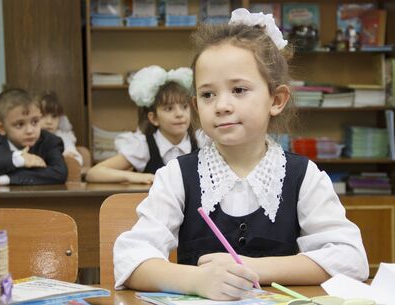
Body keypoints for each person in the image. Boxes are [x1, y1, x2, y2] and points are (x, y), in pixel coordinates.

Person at [113, 8, 368, 301]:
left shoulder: (302, 176)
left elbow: (351, 259)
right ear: (196, 106)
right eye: (208, 94)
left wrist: (251, 267)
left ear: (276, 99)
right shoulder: (176, 176)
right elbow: (130, 260)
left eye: (238, 90)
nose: (221, 105)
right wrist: (197, 280)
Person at [86, 65, 198, 184]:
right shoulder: (143, 146)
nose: (179, 114)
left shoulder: (202, 141)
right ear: (154, 118)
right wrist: (135, 177)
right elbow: (94, 173)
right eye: (169, 109)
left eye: (184, 107)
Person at [0, 88, 68, 185]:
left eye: (35, 122)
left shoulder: (50, 141)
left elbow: (59, 173)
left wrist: (5, 179)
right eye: (20, 124)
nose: (30, 131)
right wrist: (16, 159)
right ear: (1, 128)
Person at [38, 91, 83, 165]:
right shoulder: (32, 136)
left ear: (60, 119)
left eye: (54, 116)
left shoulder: (63, 137)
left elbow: (77, 160)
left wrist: (65, 157)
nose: (49, 122)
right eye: (43, 116)